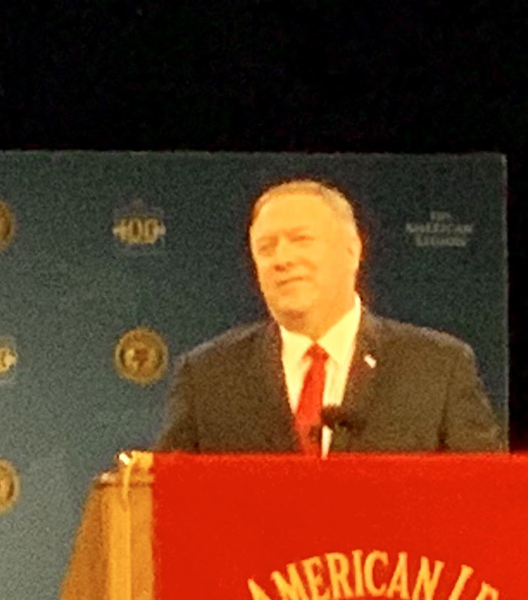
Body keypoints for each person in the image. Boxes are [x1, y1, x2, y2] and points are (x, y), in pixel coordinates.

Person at [156, 179, 503, 454]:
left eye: (301, 240)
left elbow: (489, 500)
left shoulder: (437, 368)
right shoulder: (207, 376)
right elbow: (161, 509)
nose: (282, 259)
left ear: (352, 250)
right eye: (266, 247)